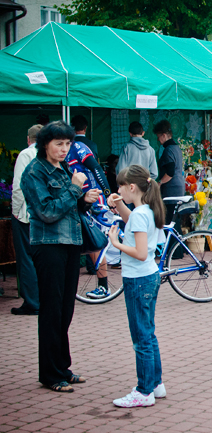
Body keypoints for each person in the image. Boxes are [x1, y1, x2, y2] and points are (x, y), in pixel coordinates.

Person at [21, 121, 101, 392]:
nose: (65, 149)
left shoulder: (64, 168)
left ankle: (63, 368)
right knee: (52, 310)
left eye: (68, 144)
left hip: (71, 243)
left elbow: (68, 206)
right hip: (49, 244)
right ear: (45, 144)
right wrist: (75, 190)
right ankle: (51, 374)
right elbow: (46, 211)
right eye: (59, 144)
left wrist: (84, 199)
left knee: (66, 309)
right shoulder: (35, 172)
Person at [107, 165, 166, 408]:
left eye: (120, 186)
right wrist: (119, 204)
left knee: (141, 337)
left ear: (131, 187)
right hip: (148, 277)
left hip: (138, 279)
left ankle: (144, 391)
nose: (118, 190)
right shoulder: (145, 210)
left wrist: (116, 243)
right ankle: (155, 384)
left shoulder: (141, 214)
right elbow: (130, 220)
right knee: (148, 333)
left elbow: (140, 253)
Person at [66, 133, 113, 299]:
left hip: (93, 200)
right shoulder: (61, 154)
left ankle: (103, 286)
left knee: (94, 243)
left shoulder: (78, 147)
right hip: (79, 201)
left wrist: (107, 193)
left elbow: (96, 168)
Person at [10, 124, 43, 315]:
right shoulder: (51, 154)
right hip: (46, 214)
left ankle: (32, 302)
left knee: (26, 258)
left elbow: (18, 187)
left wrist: (16, 212)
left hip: (27, 214)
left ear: (28, 139)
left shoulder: (26, 154)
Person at [153, 120, 184, 224]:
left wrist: (160, 182)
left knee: (169, 221)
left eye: (158, 136)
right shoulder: (176, 148)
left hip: (172, 189)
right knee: (175, 221)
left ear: (164, 135)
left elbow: (170, 172)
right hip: (179, 187)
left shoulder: (168, 150)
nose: (158, 139)